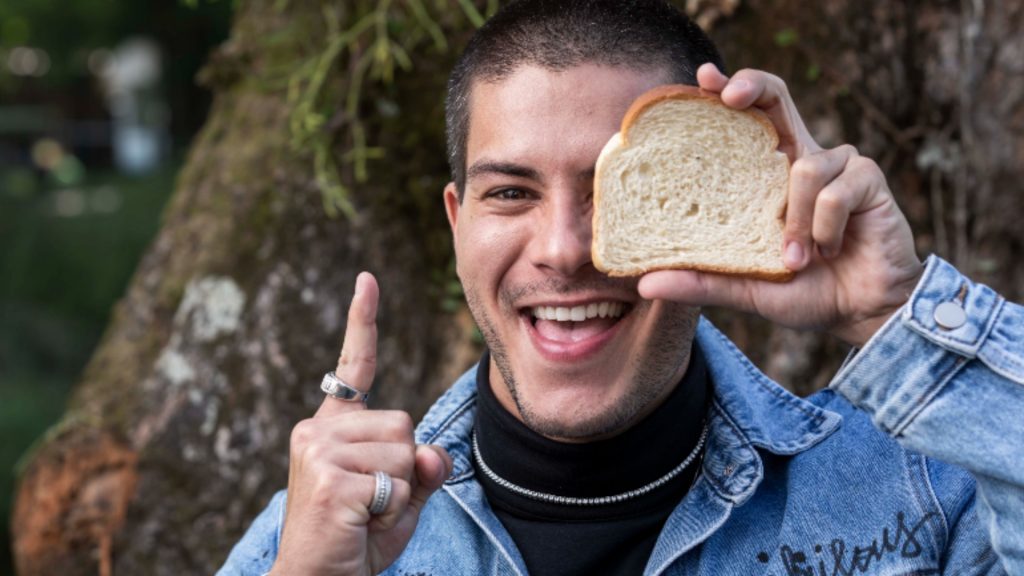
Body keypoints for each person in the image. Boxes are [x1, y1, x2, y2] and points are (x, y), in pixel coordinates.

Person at [219, 1, 1024, 574]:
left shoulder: (922, 493)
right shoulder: (313, 537)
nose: (566, 249)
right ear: (458, 224)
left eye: (618, 189)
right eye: (511, 192)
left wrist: (897, 312)